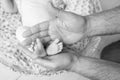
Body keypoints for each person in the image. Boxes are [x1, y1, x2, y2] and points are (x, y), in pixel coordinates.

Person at [19, 0, 120, 80]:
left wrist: (58, 6)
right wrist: (87, 25)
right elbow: (11, 9)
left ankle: (47, 48)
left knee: (48, 37)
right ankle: (38, 49)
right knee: (21, 32)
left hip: (50, 27)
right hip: (32, 28)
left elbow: (58, 4)